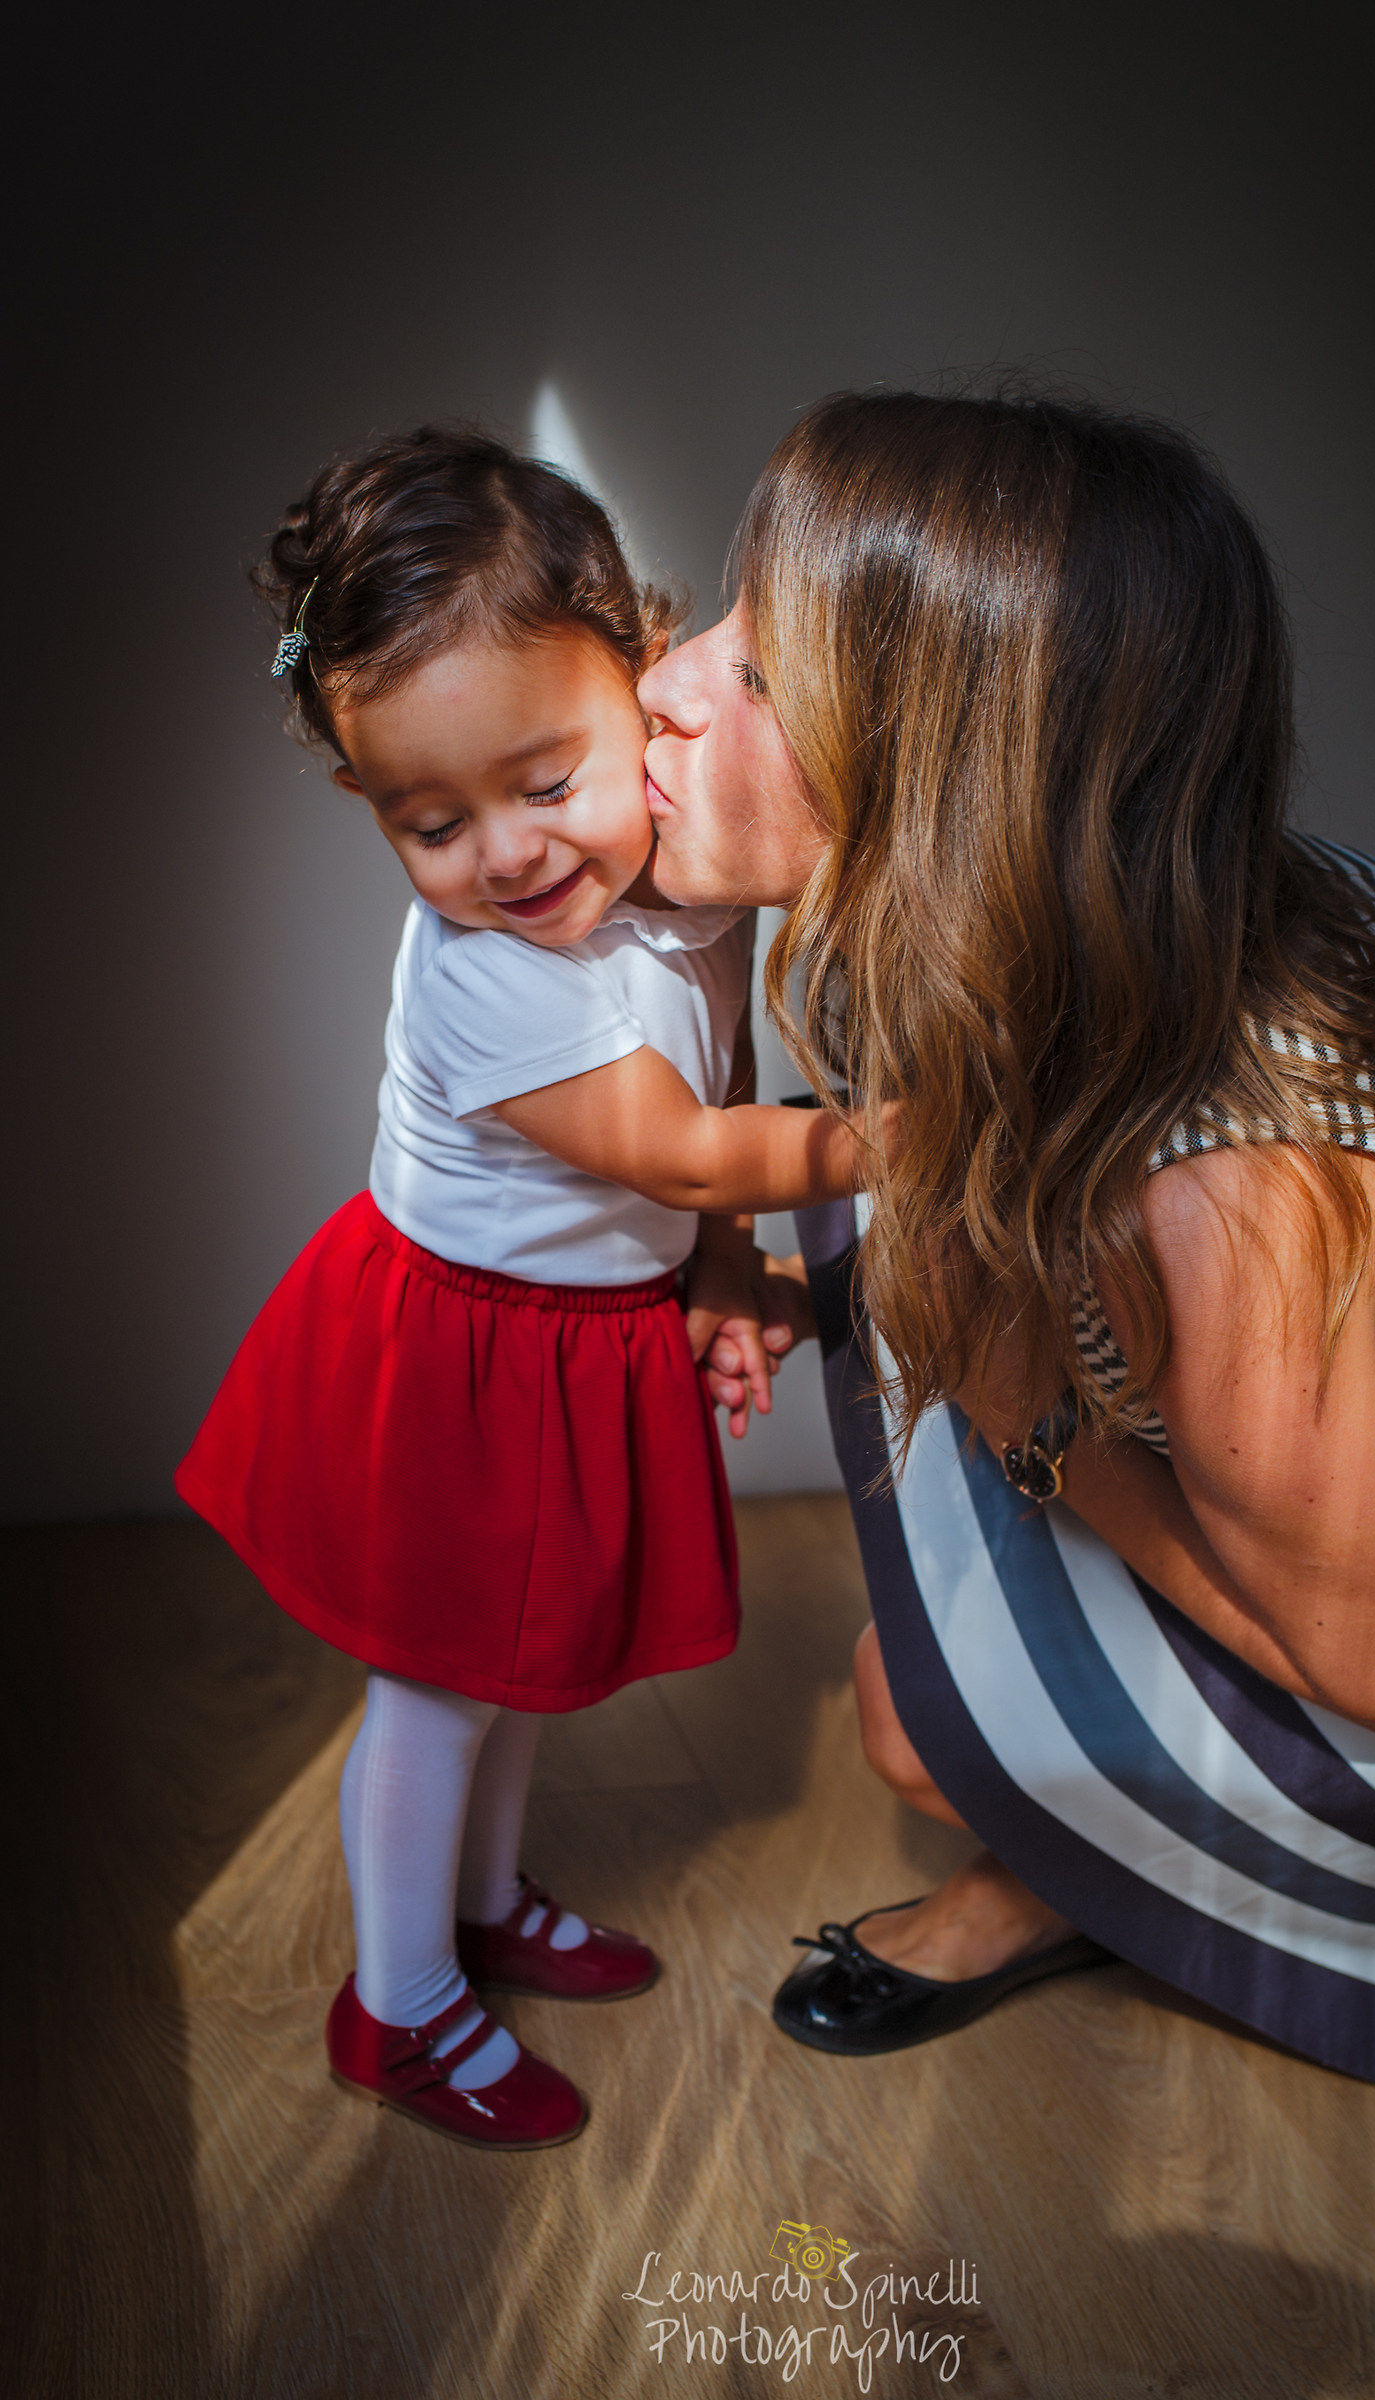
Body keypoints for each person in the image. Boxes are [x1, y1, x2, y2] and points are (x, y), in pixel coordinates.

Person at [639, 389, 1375, 2107]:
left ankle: (1061, 1880)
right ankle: (1070, 1845)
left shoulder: (1215, 1196)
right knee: (927, 1265)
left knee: (904, 1710)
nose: (664, 682)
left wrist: (1034, 1418)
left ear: (948, 789)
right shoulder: (1074, 916)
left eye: (764, 673)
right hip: (1360, 1441)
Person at [176, 427, 862, 2151]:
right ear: (375, 807)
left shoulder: (685, 888)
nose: (503, 854)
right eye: (432, 820)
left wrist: (714, 1279)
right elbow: (686, 1148)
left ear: (636, 680)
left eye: (543, 780)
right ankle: (394, 2003)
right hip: (458, 1351)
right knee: (436, 1684)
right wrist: (906, 1141)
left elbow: (712, 1096)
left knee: (523, 1668)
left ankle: (481, 1908)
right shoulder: (495, 979)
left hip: (577, 1338)